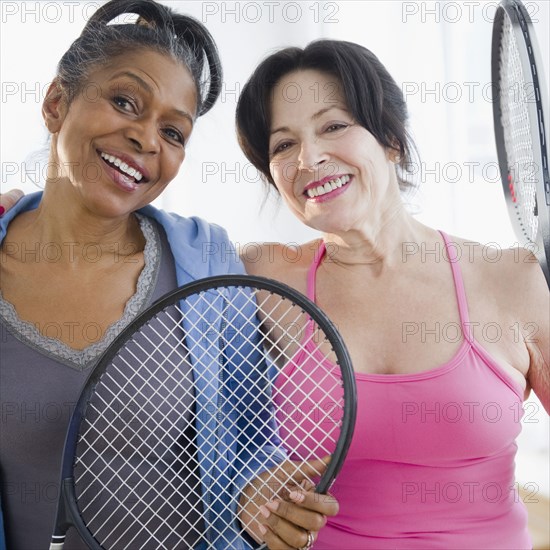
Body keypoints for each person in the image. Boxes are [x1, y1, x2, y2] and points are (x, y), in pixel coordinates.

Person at [0, 3, 337, 549]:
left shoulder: (207, 263)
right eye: (124, 101)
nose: (146, 139)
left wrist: (263, 503)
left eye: (174, 132)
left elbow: (252, 443)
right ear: (56, 101)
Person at [235, 40, 549, 548]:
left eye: (333, 125)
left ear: (391, 139)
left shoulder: (510, 279)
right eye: (282, 145)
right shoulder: (262, 279)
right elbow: (209, 436)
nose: (308, 158)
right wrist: (248, 497)